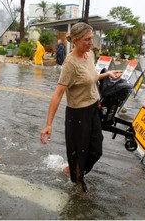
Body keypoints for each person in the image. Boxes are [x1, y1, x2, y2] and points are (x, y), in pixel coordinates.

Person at [40, 22, 122, 192]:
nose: (91, 42)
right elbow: (58, 93)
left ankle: (72, 171)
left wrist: (107, 74)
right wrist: (48, 124)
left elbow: (90, 77)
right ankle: (78, 184)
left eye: (91, 38)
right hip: (77, 114)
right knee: (79, 153)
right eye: (87, 39)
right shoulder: (70, 64)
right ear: (76, 40)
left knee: (96, 149)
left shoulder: (90, 55)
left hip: (93, 108)